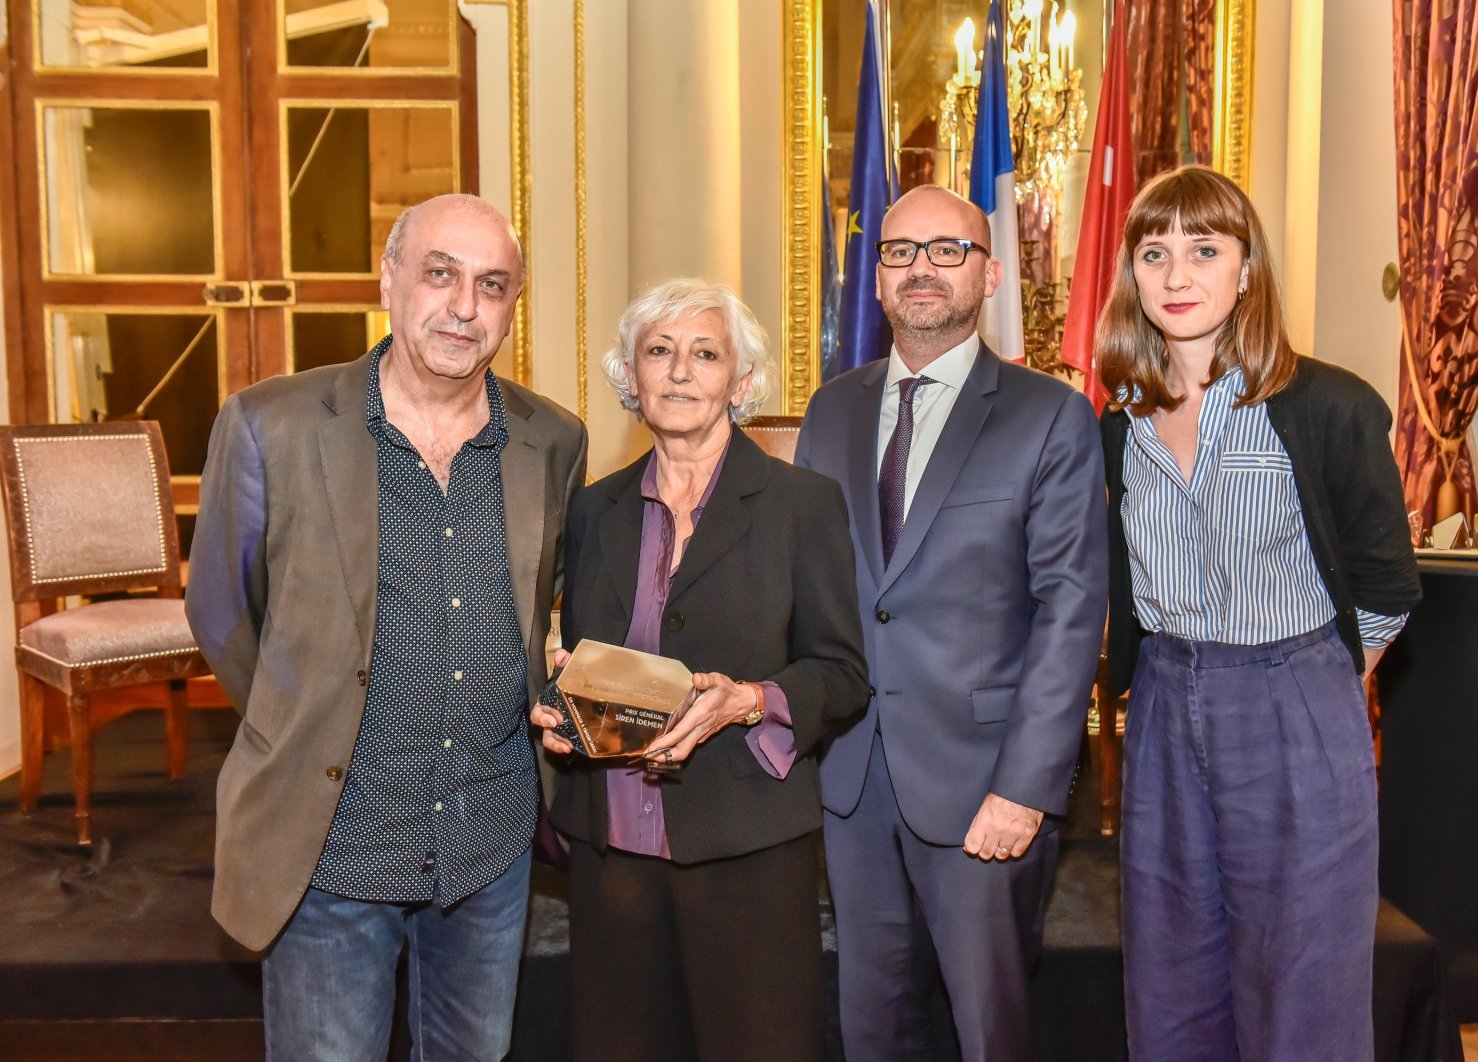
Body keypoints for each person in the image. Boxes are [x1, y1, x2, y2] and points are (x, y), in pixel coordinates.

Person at [186, 193, 587, 1060]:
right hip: (331, 847)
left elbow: (540, 606)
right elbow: (221, 611)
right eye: (440, 274)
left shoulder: (551, 439)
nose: (465, 307)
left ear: (514, 305)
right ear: (390, 280)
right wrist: (298, 718)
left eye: (493, 285)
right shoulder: (272, 425)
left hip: (488, 844)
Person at [1096, 165, 1422, 1061]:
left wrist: (1316, 684)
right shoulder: (1118, 423)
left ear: (1246, 271)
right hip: (1163, 696)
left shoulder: (1327, 405)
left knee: (1304, 971)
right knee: (1170, 968)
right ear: (1133, 276)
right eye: (1155, 253)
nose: (1178, 274)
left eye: (1205, 250)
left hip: (1295, 690)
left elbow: (1388, 585)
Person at [794, 185, 1109, 1060]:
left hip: (985, 786)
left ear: (991, 272)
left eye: (947, 250)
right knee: (871, 1024)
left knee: (987, 1029)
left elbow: (1072, 609)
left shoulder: (1049, 416)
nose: (922, 268)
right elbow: (812, 591)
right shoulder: (832, 409)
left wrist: (1025, 788)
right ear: (879, 276)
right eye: (900, 251)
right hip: (853, 779)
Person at [530, 278, 870, 1062]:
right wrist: (557, 706)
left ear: (740, 383)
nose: (680, 371)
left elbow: (843, 672)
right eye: (659, 351)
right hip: (611, 842)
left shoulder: (801, 504)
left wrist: (750, 699)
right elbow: (590, 663)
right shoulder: (593, 509)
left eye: (705, 353)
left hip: (746, 842)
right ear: (632, 376)